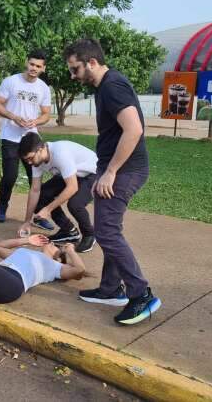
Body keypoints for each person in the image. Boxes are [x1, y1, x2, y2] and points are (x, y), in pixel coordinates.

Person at [63, 38, 161, 325]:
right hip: (114, 168)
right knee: (109, 228)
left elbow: (134, 129)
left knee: (106, 232)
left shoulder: (112, 86)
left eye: (75, 69)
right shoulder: (105, 86)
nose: (73, 75)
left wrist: (111, 172)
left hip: (125, 170)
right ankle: (109, 289)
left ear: (91, 62)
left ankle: (141, 294)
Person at [0, 49, 54, 230]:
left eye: (38, 66)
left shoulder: (43, 88)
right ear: (27, 63)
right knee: (10, 176)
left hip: (32, 138)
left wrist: (36, 121)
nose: (34, 68)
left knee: (35, 178)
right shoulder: (11, 81)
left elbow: (46, 115)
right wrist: (13, 117)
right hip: (10, 136)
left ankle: (39, 214)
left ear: (43, 68)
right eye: (32, 64)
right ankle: (3, 204)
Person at [18, 133, 98, 253]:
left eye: (30, 158)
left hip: (93, 173)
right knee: (42, 195)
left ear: (40, 149)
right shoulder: (36, 161)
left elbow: (72, 187)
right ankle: (69, 231)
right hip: (73, 174)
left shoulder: (60, 154)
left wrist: (48, 209)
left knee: (75, 204)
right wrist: (27, 222)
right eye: (26, 160)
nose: (29, 163)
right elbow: (35, 190)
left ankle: (89, 235)